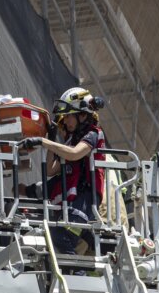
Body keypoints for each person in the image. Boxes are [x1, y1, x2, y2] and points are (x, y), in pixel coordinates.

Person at [23, 87, 106, 256]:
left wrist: (43, 142)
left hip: (85, 198)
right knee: (57, 233)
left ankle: (77, 271)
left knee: (60, 235)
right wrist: (52, 139)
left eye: (68, 116)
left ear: (82, 114)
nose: (65, 121)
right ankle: (87, 241)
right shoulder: (73, 140)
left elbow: (74, 154)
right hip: (75, 201)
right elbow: (50, 170)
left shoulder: (92, 135)